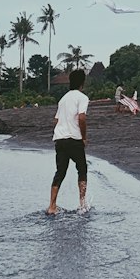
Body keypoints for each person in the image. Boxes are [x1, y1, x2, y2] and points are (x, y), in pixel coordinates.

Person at [47, 68, 89, 216]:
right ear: (82, 83)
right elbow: (82, 118)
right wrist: (84, 137)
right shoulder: (82, 97)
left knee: (60, 172)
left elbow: (56, 120)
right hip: (74, 138)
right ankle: (82, 205)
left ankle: (52, 206)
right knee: (82, 170)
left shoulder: (63, 99)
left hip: (60, 139)